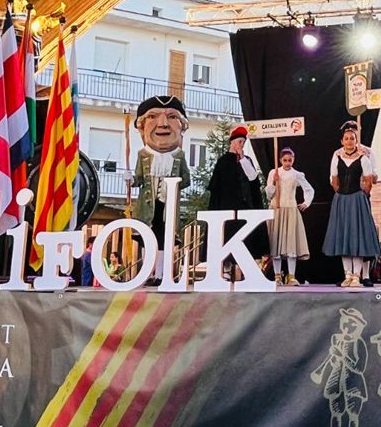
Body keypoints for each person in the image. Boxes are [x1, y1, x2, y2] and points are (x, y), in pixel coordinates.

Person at [129, 95, 193, 284]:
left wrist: (173, 183)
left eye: (172, 117)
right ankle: (146, 273)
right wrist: (130, 180)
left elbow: (187, 180)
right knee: (146, 239)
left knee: (165, 239)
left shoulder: (179, 155)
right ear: (142, 128)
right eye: (153, 116)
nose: (163, 124)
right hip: (147, 207)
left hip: (168, 207)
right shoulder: (143, 155)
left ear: (182, 126)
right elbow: (138, 179)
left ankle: (160, 274)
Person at [207, 125, 270, 276]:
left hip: (245, 205)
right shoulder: (223, 161)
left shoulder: (246, 160)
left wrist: (242, 159)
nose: (241, 145)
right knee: (227, 236)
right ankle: (227, 268)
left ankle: (244, 270)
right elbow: (216, 186)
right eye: (239, 142)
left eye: (243, 142)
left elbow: (253, 178)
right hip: (227, 206)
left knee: (245, 237)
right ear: (233, 142)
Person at [324, 123, 381, 288]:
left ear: (357, 139)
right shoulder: (337, 156)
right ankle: (347, 274)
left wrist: (361, 195)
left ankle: (358, 275)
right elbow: (334, 179)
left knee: (357, 237)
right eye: (346, 138)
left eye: (352, 138)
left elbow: (369, 179)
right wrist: (341, 193)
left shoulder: (364, 156)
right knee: (344, 237)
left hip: (357, 199)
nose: (349, 141)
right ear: (342, 140)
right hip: (342, 199)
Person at [310, 308, 369, 427]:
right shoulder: (336, 339)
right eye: (345, 322)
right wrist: (333, 358)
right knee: (336, 413)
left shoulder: (359, 343)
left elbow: (359, 368)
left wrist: (342, 355)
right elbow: (333, 362)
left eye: (351, 323)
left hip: (354, 383)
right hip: (336, 379)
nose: (347, 326)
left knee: (353, 414)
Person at [265, 147, 314, 285]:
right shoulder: (274, 173)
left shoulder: (297, 174)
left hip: (291, 210)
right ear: (280, 160)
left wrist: (306, 202)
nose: (287, 163)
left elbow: (309, 189)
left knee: (291, 244)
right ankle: (277, 276)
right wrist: (274, 182)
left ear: (293, 160)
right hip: (277, 209)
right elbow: (269, 195)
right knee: (276, 245)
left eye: (290, 160)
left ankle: (291, 276)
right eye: (285, 160)